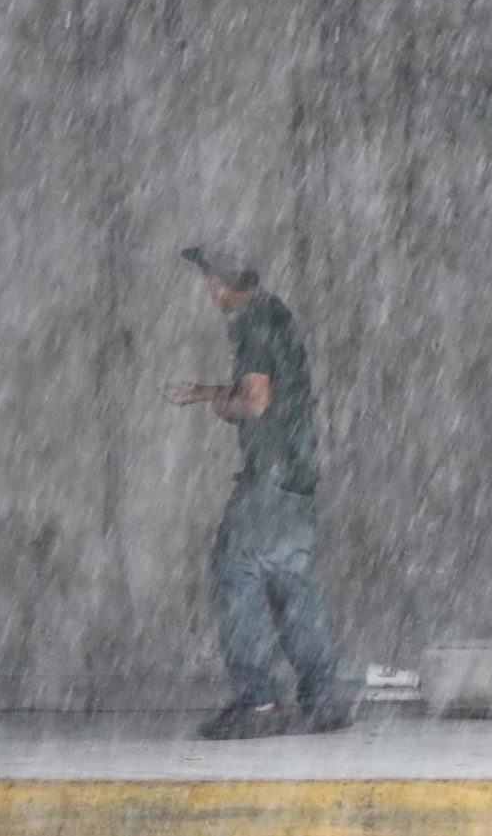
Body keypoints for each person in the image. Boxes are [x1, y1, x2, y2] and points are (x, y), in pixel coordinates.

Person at [164, 243, 351, 739]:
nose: (209, 290)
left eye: (212, 280)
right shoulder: (277, 315)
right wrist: (207, 394)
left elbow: (256, 400)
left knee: (235, 574)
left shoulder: (251, 321)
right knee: (290, 582)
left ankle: (257, 702)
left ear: (229, 283)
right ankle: (325, 697)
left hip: (267, 476)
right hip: (297, 475)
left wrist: (223, 405)